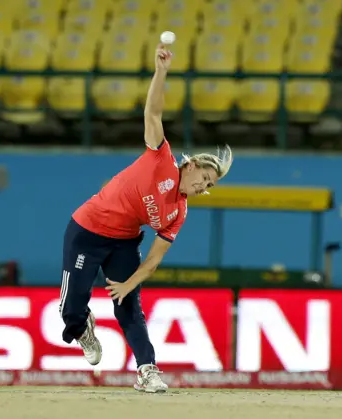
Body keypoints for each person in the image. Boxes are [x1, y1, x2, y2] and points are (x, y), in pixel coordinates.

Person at [58, 44, 233, 393]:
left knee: (129, 306)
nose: (205, 188)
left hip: (123, 242)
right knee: (70, 307)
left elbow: (153, 260)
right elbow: (153, 114)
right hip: (87, 230)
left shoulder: (179, 210)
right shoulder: (162, 160)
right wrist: (161, 72)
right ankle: (81, 328)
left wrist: (128, 284)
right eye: (205, 180)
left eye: (210, 187)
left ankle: (147, 370)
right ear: (192, 165)